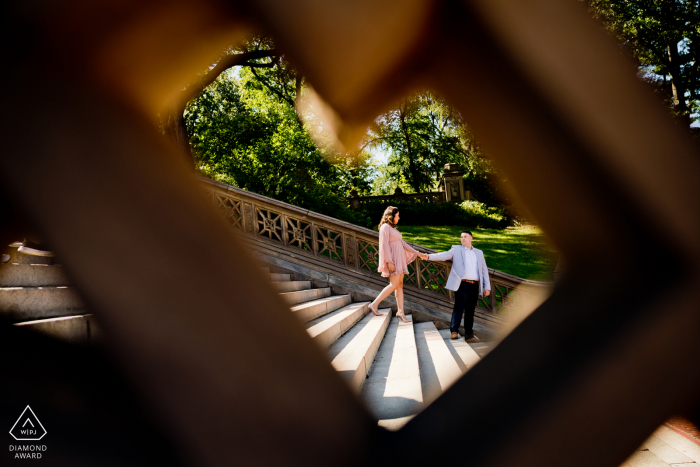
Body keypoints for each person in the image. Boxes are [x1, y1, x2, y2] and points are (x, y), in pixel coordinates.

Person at [418, 230, 490, 343]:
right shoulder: (456, 249)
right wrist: (428, 257)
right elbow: (444, 255)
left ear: (471, 238)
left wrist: (487, 287)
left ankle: (469, 335)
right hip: (462, 284)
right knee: (459, 307)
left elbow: (484, 270)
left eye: (465, 236)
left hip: (474, 285)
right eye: (461, 237)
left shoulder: (479, 253)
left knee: (470, 310)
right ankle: (454, 332)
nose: (463, 239)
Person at [368, 206, 420, 323]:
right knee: (394, 284)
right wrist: (389, 262)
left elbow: (403, 243)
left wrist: (417, 253)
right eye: (397, 215)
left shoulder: (393, 229)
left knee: (399, 285)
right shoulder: (385, 227)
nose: (399, 218)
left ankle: (400, 311)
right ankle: (374, 304)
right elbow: (384, 245)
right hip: (393, 260)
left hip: (399, 259)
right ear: (391, 216)